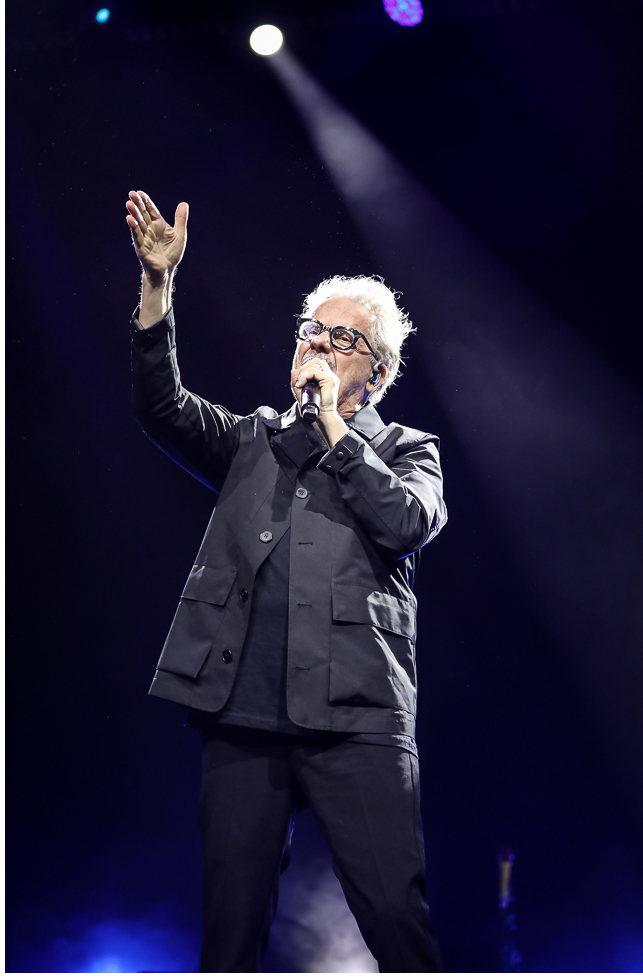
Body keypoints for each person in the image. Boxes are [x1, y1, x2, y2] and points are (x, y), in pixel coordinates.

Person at [127, 190, 448, 973]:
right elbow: (160, 407)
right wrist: (158, 287)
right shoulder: (252, 439)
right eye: (313, 332)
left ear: (375, 374)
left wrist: (336, 429)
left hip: (358, 720)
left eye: (342, 340)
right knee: (229, 933)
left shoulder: (410, 448)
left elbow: (407, 521)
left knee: (397, 923)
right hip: (244, 714)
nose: (320, 347)